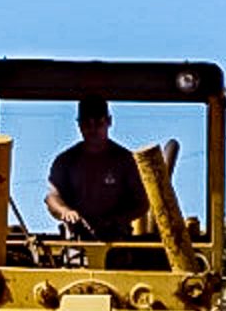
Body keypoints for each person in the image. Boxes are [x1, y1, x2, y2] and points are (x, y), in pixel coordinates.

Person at [44, 95, 148, 240]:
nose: (93, 129)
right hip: (77, 242)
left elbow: (142, 203)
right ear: (79, 125)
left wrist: (115, 220)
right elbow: (52, 197)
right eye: (87, 123)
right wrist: (65, 211)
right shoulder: (65, 161)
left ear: (109, 122)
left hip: (117, 243)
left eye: (98, 123)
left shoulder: (125, 160)